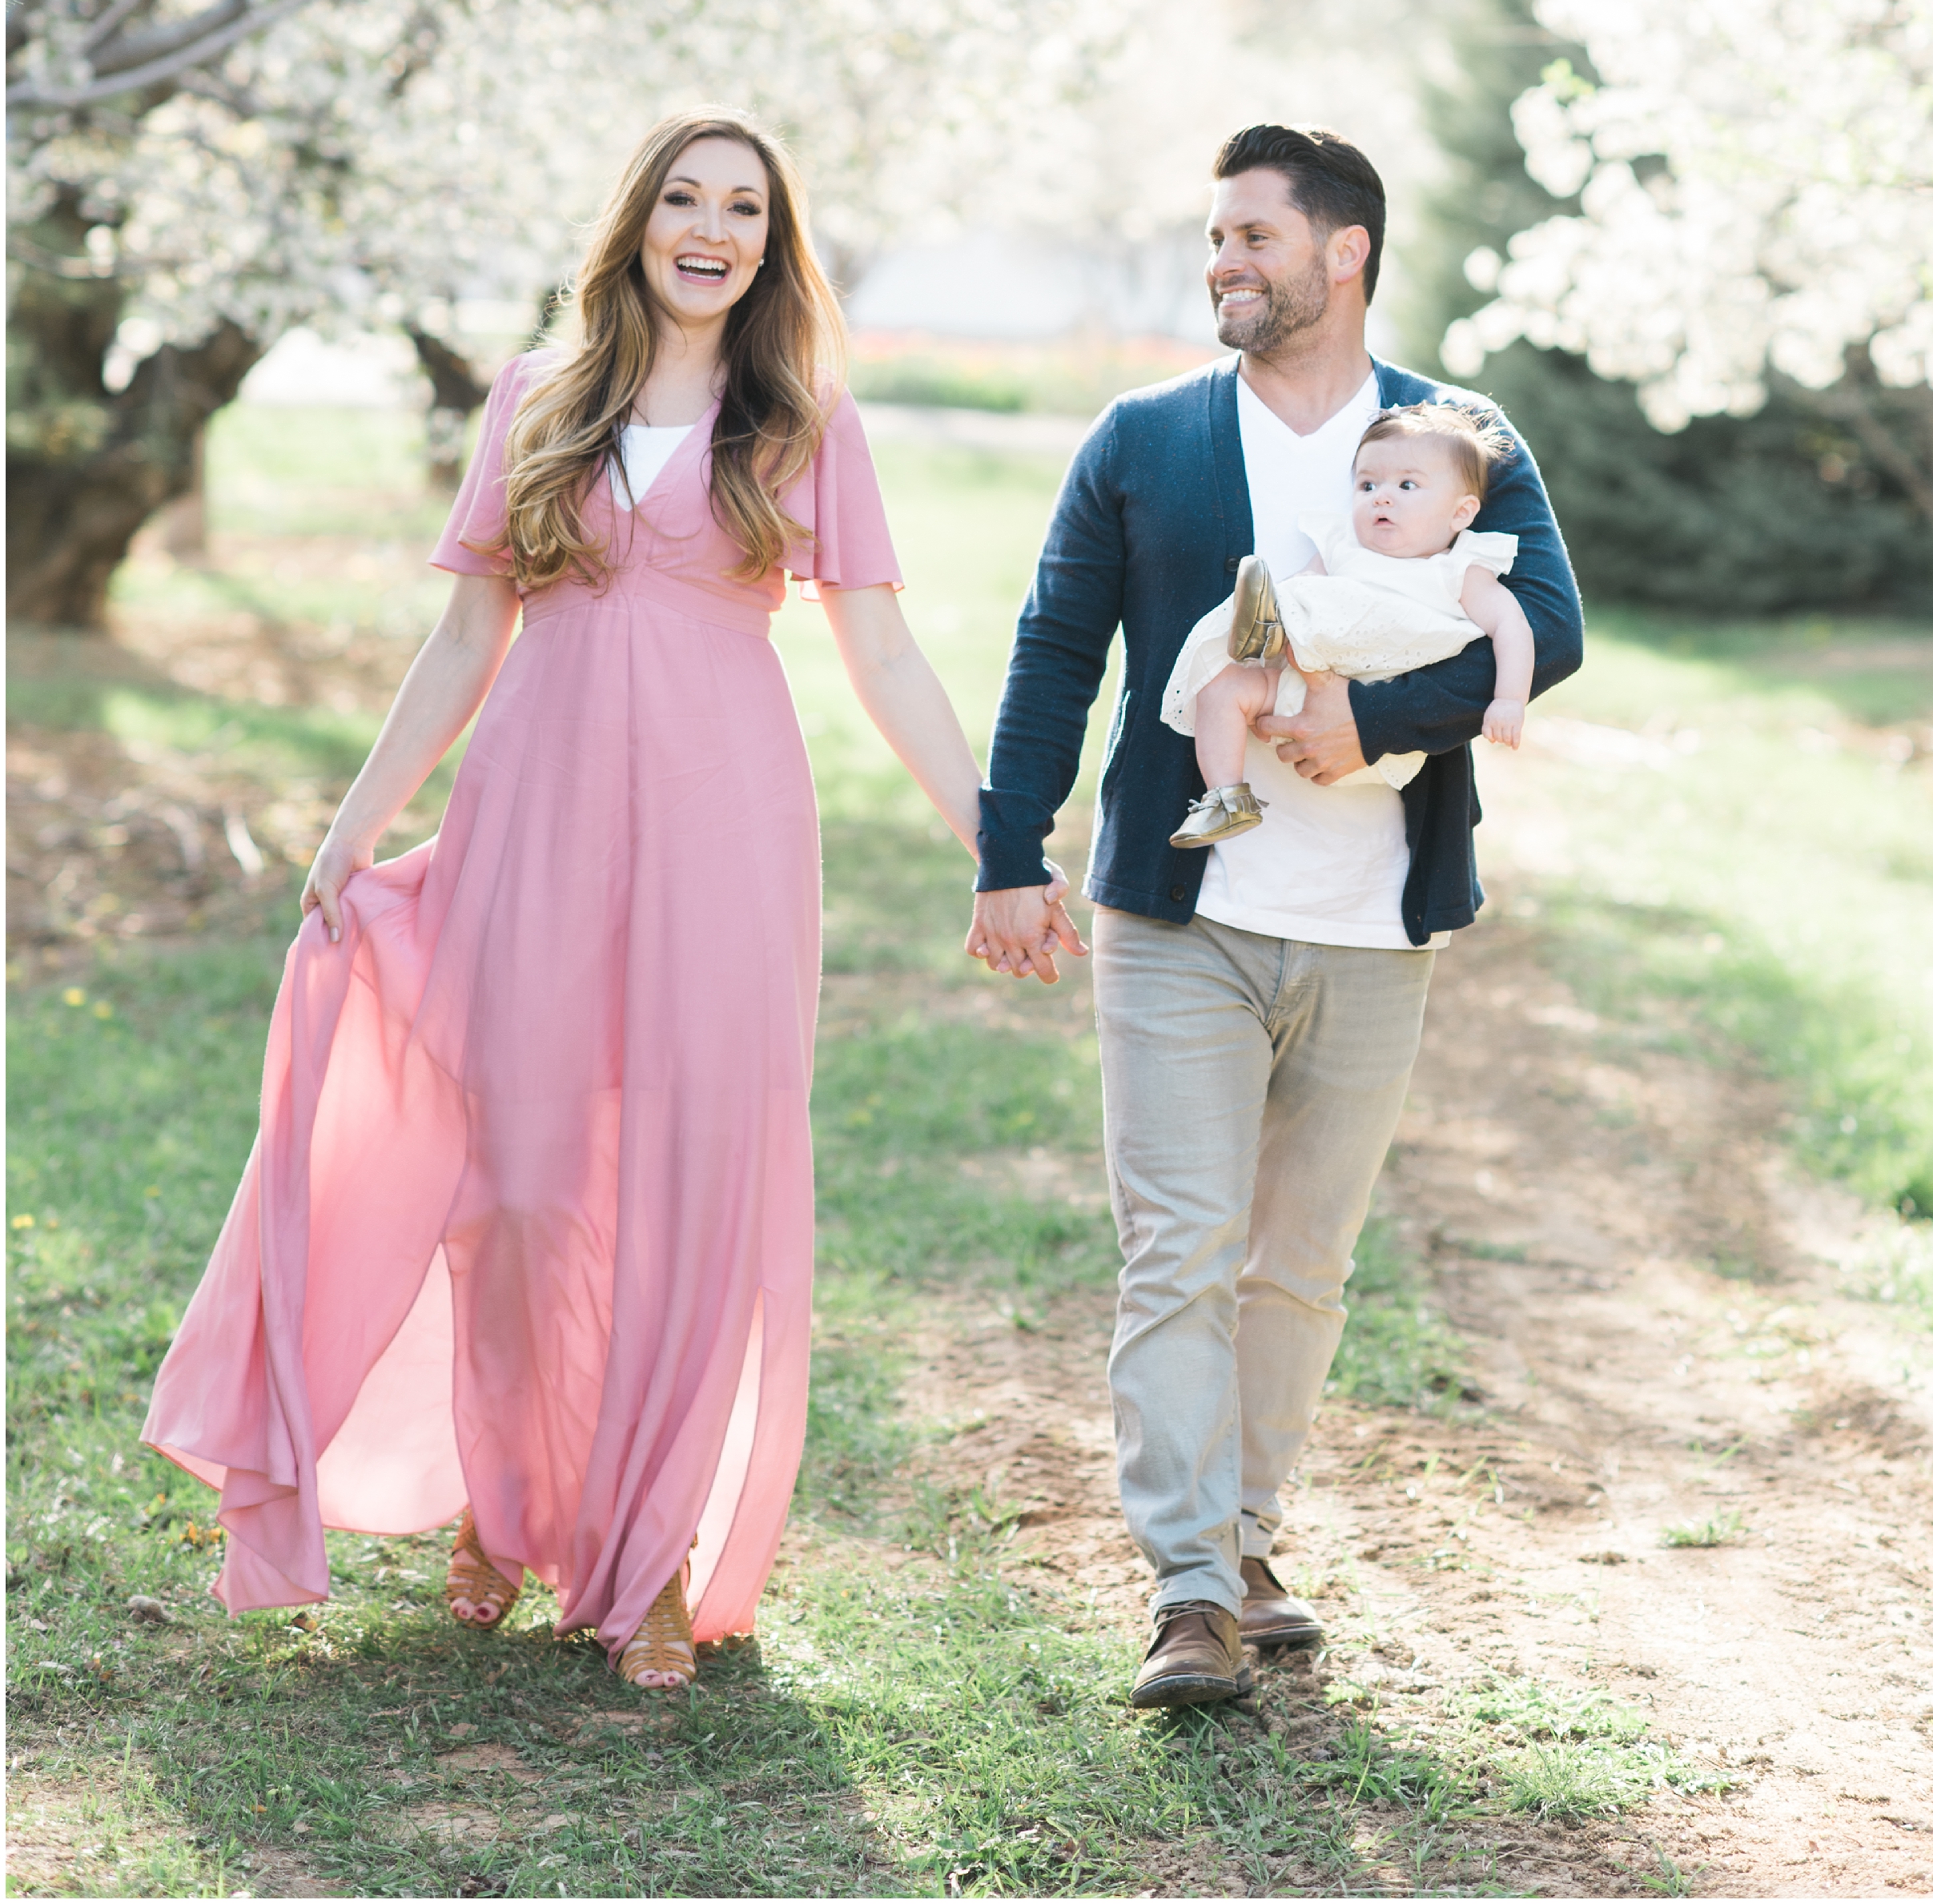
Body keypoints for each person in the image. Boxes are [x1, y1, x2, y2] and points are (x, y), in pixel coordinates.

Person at [145, 110, 1029, 1692]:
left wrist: (992, 838)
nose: (711, 229)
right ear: (633, 225)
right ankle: (509, 1500)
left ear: (771, 241)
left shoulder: (803, 418)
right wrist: (355, 825)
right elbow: (463, 638)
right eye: (683, 199)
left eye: (743, 208)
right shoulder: (537, 398)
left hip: (722, 831)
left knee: (695, 1186)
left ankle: (655, 1561)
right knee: (524, 1188)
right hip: (534, 816)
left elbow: (880, 651)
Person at [966, 123, 1582, 1709]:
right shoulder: (1144, 437)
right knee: (1178, 1249)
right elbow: (1055, 645)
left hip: (1377, 928)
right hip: (1180, 913)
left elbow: (1549, 633)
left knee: (1299, 1265)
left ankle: (1244, 1540)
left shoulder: (1452, 434)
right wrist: (1005, 848)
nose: (1221, 262)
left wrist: (1372, 733)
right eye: (1214, 237)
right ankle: (1184, 1589)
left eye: (1251, 235)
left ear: (1343, 253)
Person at [1163, 401, 1536, 848]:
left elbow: (1513, 625)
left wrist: (1509, 700)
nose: (1381, 496)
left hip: (1375, 706)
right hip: (1301, 687)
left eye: (1406, 485)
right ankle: (1226, 797)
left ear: (1460, 514)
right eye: (1367, 484)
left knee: (1299, 603)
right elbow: (1307, 586)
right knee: (1221, 688)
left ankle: (1266, 626)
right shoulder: (1342, 543)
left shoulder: (1457, 570)